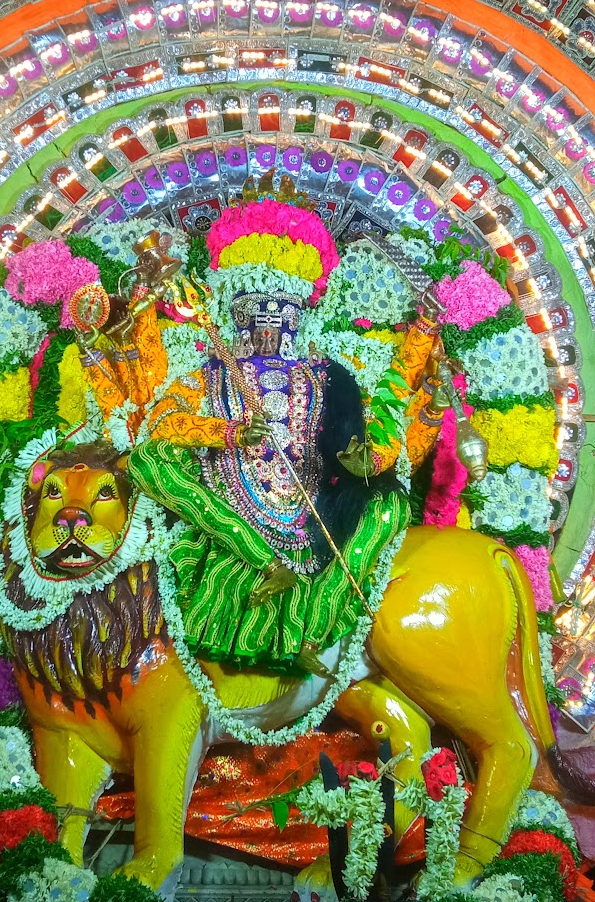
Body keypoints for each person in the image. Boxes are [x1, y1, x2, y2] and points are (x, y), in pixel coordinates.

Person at [124, 197, 444, 676]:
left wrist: (367, 462)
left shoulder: (325, 375)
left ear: (298, 318)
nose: (270, 329)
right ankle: (257, 556)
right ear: (238, 318)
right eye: (259, 316)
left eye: (282, 315)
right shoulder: (212, 375)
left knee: (387, 506)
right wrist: (227, 432)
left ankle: (314, 625)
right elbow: (165, 420)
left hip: (317, 509)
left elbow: (380, 424)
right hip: (233, 509)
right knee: (144, 460)